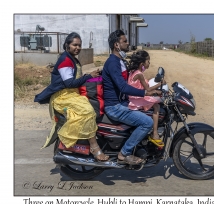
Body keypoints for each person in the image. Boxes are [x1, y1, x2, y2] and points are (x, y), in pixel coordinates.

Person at [34, 32, 109, 161]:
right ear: (67, 45)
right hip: (63, 97)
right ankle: (94, 147)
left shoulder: (72, 59)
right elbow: (69, 83)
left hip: (71, 94)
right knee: (88, 111)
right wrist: (89, 76)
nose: (77, 48)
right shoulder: (65, 60)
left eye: (79, 45)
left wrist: (91, 75)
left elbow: (75, 78)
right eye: (74, 45)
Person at [102, 29, 159, 165]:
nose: (127, 43)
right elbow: (123, 87)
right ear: (116, 45)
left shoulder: (120, 61)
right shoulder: (113, 63)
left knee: (148, 112)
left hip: (122, 102)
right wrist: (145, 93)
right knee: (147, 122)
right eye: (125, 41)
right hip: (115, 107)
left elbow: (134, 80)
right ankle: (124, 153)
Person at [127, 50, 166, 147]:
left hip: (135, 97)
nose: (149, 63)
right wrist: (160, 85)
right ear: (142, 64)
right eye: (148, 61)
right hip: (136, 99)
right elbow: (147, 89)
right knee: (156, 106)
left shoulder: (134, 72)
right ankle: (155, 133)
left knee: (155, 101)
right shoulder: (139, 74)